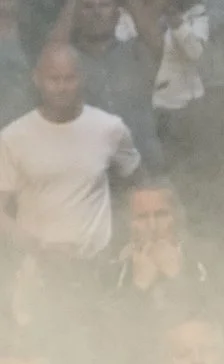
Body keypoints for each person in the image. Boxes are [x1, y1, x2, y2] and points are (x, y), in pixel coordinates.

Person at [0, 40, 142, 273]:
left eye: (69, 78)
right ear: (37, 79)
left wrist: (126, 238)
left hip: (99, 266)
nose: (62, 87)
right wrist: (38, 248)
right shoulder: (13, 137)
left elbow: (138, 187)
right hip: (38, 268)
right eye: (54, 79)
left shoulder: (110, 128)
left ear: (82, 78)